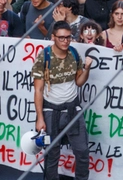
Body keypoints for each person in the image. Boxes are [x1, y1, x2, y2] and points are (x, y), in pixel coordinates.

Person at [32, 20, 93, 180]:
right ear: (53, 37)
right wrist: (40, 118)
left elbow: (79, 82)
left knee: (82, 151)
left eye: (68, 37)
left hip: (73, 109)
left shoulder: (73, 53)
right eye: (61, 38)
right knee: (52, 154)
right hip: (51, 111)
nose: (65, 41)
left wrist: (86, 69)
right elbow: (38, 90)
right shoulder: (44, 57)